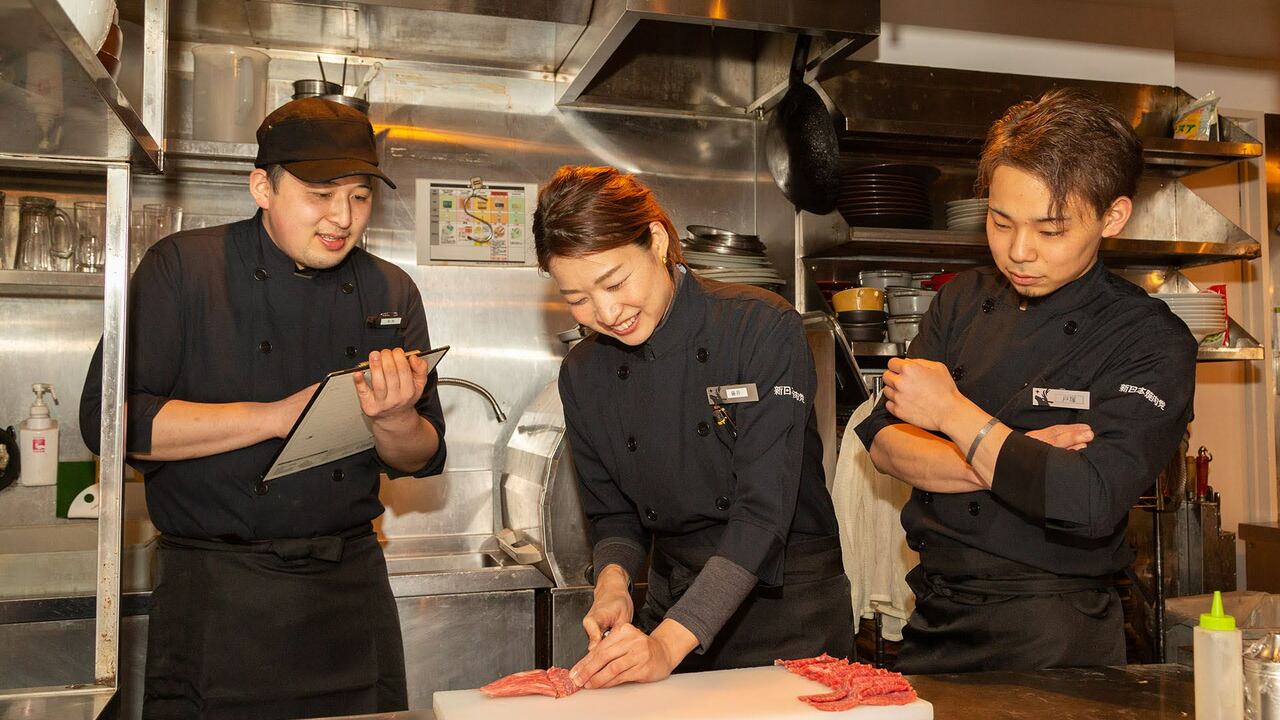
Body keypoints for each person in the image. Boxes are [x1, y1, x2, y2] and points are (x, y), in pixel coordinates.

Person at [80, 98, 447, 719]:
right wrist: (281, 416)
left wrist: (393, 421)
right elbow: (110, 422)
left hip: (348, 591)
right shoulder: (183, 269)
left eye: (359, 197)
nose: (343, 217)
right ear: (263, 188)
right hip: (215, 592)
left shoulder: (391, 289)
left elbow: (422, 456)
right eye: (321, 193)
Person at [855, 87, 1197, 673]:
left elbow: (1087, 497)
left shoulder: (1150, 339)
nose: (1018, 250)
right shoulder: (961, 300)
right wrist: (1005, 461)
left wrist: (950, 416)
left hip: (1053, 633)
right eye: (999, 220)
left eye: (1051, 230)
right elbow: (885, 445)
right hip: (933, 616)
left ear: (1112, 216)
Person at [534, 165, 853, 690]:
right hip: (673, 598)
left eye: (615, 282)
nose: (607, 312)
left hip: (787, 611)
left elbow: (763, 513)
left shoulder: (761, 327)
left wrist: (666, 643)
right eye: (577, 298)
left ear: (657, 241)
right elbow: (613, 512)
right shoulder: (583, 373)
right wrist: (613, 584)